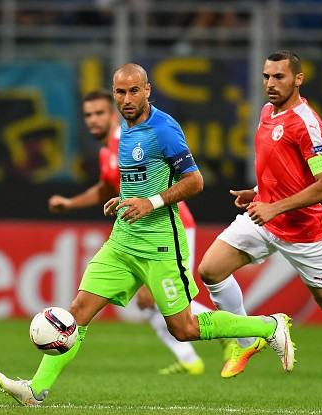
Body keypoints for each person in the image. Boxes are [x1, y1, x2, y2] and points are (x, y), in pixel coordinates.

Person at [0, 63, 295, 407]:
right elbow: (144, 176)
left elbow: (195, 182)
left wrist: (150, 203)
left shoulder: (164, 129)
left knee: (183, 328)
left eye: (134, 91)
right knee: (77, 311)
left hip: (160, 244)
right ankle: (36, 390)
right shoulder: (124, 129)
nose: (127, 99)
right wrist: (124, 199)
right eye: (120, 92)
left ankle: (268, 327)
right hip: (122, 241)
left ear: (147, 90)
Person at [198, 50, 322, 393]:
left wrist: (275, 207)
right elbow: (284, 171)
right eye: (266, 76)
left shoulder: (307, 123)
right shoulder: (266, 113)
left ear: (298, 79)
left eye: (279, 77)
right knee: (210, 270)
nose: (270, 84)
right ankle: (249, 339)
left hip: (302, 230)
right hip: (264, 214)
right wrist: (257, 191)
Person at [48, 89, 232, 375]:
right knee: (151, 304)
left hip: (170, 225)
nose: (93, 121)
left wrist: (152, 204)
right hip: (140, 230)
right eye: (87, 115)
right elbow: (106, 189)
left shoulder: (132, 136)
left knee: (155, 301)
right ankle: (191, 357)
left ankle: (224, 334)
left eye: (99, 113)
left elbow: (183, 180)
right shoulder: (108, 150)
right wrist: (71, 203)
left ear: (113, 113)